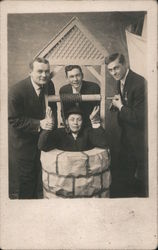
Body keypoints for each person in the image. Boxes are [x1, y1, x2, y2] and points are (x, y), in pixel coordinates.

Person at [8, 57, 57, 199]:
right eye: (39, 71)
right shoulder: (16, 90)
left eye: (47, 71)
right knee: (27, 183)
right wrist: (40, 124)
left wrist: (51, 125)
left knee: (43, 181)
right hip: (24, 144)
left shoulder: (50, 85)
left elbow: (52, 110)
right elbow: (13, 119)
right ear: (30, 72)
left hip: (44, 141)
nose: (44, 75)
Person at [105, 53, 148, 197]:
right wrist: (116, 104)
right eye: (110, 70)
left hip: (139, 140)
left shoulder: (139, 82)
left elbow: (138, 118)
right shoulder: (121, 80)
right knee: (126, 178)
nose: (113, 73)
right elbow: (127, 103)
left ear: (125, 64)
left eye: (116, 68)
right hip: (127, 138)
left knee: (141, 181)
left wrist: (121, 107)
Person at [38, 106, 107, 152]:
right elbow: (42, 146)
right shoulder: (59, 133)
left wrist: (95, 123)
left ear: (83, 122)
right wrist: (48, 127)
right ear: (66, 122)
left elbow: (104, 144)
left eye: (79, 120)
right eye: (72, 119)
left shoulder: (88, 132)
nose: (75, 123)